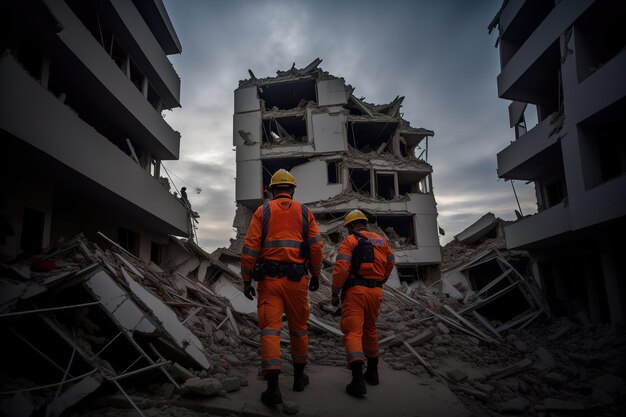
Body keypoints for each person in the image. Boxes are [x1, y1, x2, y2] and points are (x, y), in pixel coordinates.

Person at [240, 169, 323, 405]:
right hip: (297, 282)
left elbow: (250, 247)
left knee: (270, 331)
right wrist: (315, 274)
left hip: (270, 282)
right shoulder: (305, 212)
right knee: (299, 329)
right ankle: (298, 378)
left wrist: (247, 279)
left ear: (272, 190)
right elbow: (316, 247)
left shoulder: (262, 211)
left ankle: (273, 388)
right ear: (292, 190)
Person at [330, 209, 395, 397]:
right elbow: (390, 261)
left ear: (351, 226)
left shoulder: (350, 241)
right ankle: (373, 373)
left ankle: (357, 380)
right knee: (370, 330)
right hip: (376, 292)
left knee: (353, 332)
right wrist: (381, 279)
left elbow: (341, 269)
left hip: (355, 292)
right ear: (364, 223)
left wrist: (335, 293)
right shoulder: (381, 240)